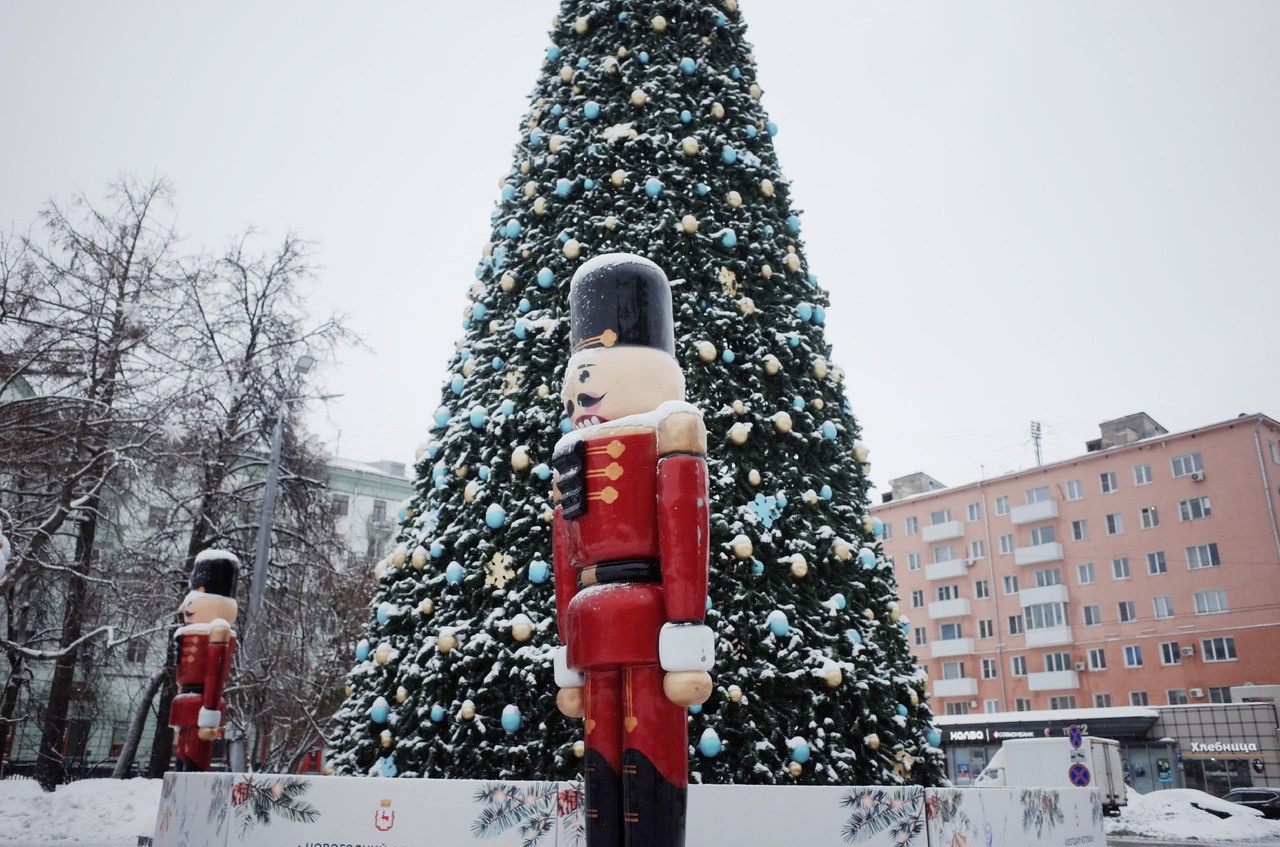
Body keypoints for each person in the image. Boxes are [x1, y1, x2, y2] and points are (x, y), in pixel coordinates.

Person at [552, 253, 714, 847]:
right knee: (600, 759)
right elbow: (564, 557)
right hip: (592, 619)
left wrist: (686, 627)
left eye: (593, 370)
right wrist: (566, 648)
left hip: (649, 614)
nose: (581, 390)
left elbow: (683, 531)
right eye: (577, 374)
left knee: (650, 749)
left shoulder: (671, 429)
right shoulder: (570, 454)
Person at [168, 549, 239, 771]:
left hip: (202, 704)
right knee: (181, 759)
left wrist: (209, 710)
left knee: (194, 761)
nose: (185, 608)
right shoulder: (188, 632)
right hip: (187, 702)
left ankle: (192, 797)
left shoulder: (219, 631)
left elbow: (215, 673)